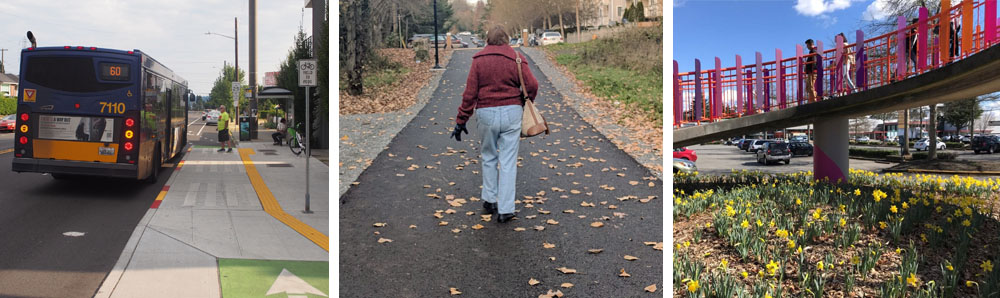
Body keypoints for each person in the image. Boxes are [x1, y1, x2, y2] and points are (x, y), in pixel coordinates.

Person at [451, 24, 539, 223]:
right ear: (506, 39)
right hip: (512, 111)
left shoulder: (479, 60)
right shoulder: (516, 58)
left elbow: (470, 93)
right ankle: (506, 209)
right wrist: (525, 101)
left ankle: (489, 200)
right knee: (508, 161)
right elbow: (533, 85)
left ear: (487, 39)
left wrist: (461, 120)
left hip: (486, 112)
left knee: (488, 156)